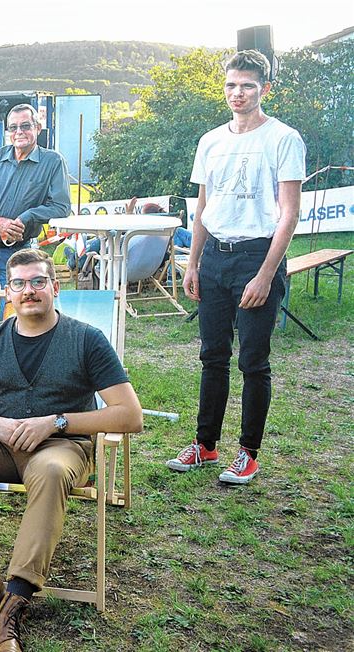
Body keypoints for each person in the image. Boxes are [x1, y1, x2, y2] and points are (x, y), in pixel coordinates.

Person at [0, 249, 142, 647]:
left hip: (62, 448)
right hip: (1, 446)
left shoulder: (86, 339)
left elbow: (130, 415)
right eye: (20, 283)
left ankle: (10, 610)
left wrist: (56, 422)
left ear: (54, 287)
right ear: (8, 292)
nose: (29, 290)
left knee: (52, 470)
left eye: (38, 281)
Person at [166, 50, 305, 485]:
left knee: (253, 361)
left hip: (257, 256)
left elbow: (289, 213)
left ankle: (248, 453)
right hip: (214, 258)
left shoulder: (283, 138)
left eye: (247, 85)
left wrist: (266, 273)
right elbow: (203, 207)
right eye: (231, 85)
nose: (238, 93)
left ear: (265, 89)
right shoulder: (210, 140)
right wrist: (193, 262)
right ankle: (205, 445)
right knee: (212, 356)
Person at [0, 103, 71, 333]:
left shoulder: (52, 162)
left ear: (38, 128)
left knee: (13, 315)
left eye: (25, 126)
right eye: (13, 127)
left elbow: (61, 207)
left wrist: (29, 216)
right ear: (8, 131)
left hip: (17, 252)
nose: (19, 131)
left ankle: (10, 355)